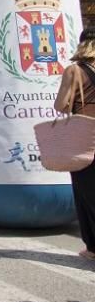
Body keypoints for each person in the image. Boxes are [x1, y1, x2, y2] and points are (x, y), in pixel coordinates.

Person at [53, 27, 95, 263]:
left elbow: (61, 105)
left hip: (84, 136)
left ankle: (92, 246)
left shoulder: (74, 71)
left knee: (86, 193)